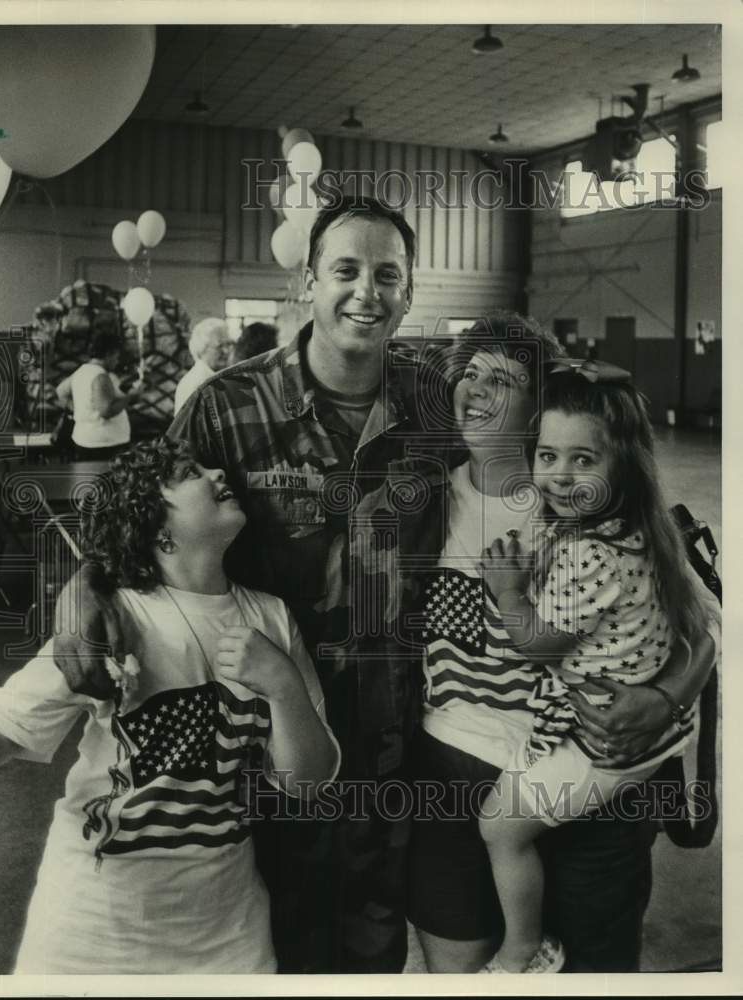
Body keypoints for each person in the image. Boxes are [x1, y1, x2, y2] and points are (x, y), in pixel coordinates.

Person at [51, 204, 716, 974]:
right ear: (308, 281)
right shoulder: (228, 408)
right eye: (345, 269)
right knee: (281, 943)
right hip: (279, 742)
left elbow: (658, 560)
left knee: (380, 949)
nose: (365, 291)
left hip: (410, 749)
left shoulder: (441, 405)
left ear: (407, 294)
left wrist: (670, 690)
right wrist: (80, 595)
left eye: (387, 275)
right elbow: (139, 519)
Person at [394, 318, 720, 973]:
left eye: (503, 377)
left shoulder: (594, 504)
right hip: (449, 774)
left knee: (590, 971)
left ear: (538, 402)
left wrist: (665, 695)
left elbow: (706, 622)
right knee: (459, 967)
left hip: (586, 780)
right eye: (469, 374)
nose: (477, 389)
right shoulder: (419, 499)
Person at [0, 436, 339, 974]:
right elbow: (0, 732)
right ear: (157, 528)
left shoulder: (271, 617)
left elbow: (309, 782)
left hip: (228, 937)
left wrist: (284, 685)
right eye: (188, 471)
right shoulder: (110, 621)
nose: (219, 470)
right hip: (90, 931)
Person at [476, 362, 713, 972]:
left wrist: (507, 593)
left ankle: (523, 949)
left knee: (500, 825)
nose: (560, 475)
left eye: (584, 460)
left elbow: (539, 646)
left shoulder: (589, 553)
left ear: (623, 466)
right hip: (632, 739)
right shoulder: (632, 527)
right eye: (548, 456)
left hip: (606, 744)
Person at [56, 322, 142, 460]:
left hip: (85, 439)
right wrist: (130, 397)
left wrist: (78, 409)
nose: (117, 361)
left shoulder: (81, 371)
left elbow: (60, 391)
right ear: (109, 353)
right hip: (104, 444)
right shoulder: (100, 376)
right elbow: (105, 411)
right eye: (116, 356)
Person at [174, 317, 234, 414]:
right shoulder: (197, 383)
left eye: (228, 344)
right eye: (219, 346)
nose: (226, 351)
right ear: (202, 349)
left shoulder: (216, 377)